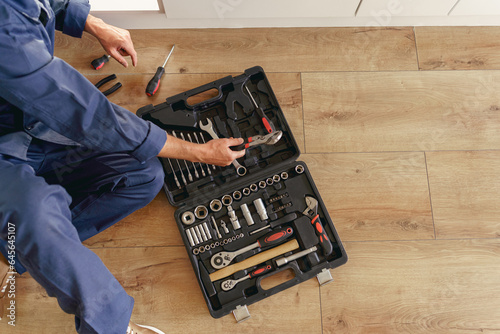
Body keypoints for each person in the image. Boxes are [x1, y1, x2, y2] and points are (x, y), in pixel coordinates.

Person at [0, 0, 245, 333]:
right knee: (37, 210)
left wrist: (91, 22)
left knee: (144, 175)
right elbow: (88, 115)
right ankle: (111, 325)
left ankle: (22, 245)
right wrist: (199, 153)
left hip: (34, 126)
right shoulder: (4, 37)